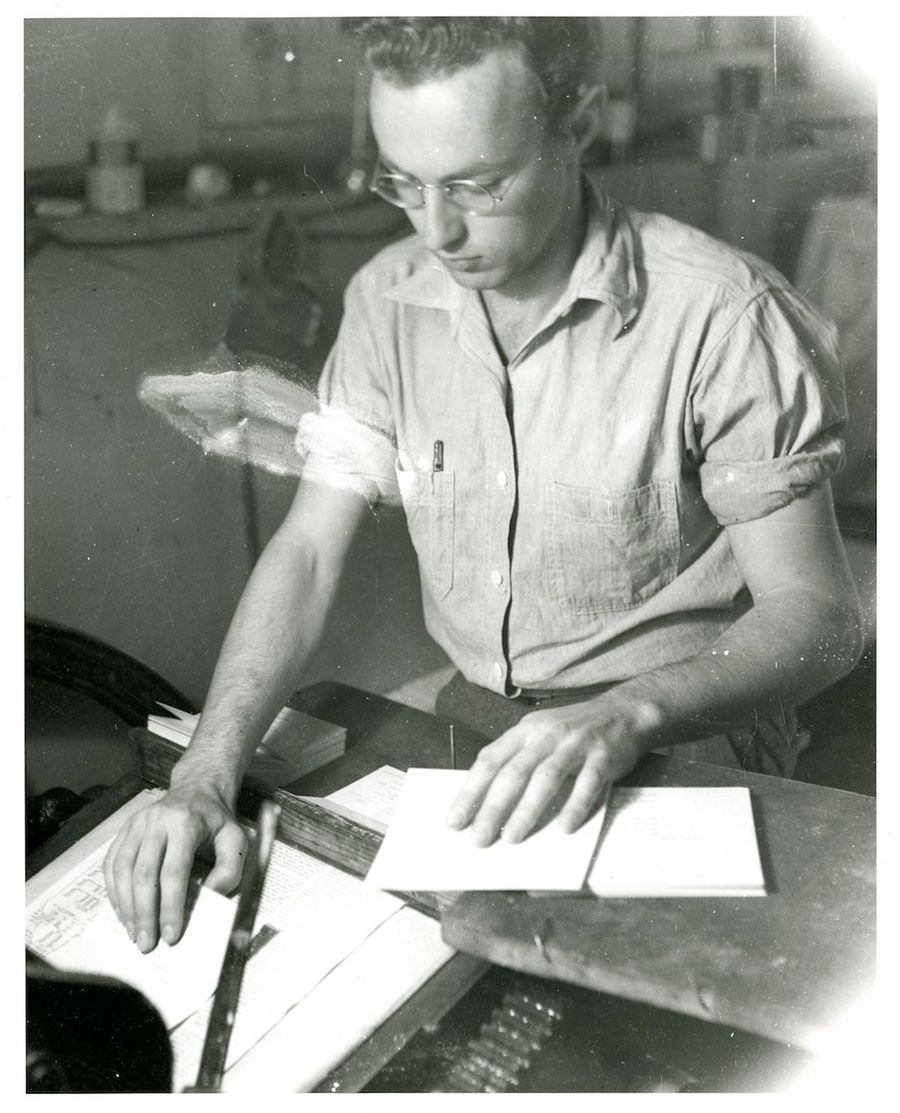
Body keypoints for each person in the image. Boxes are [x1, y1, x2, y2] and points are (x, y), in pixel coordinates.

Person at [104, 17, 861, 954]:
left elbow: (820, 618)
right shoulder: (387, 301)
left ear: (577, 126)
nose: (438, 228)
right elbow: (305, 550)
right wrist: (204, 776)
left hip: (684, 734)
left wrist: (627, 712)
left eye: (476, 183)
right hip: (483, 720)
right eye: (404, 183)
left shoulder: (724, 315)